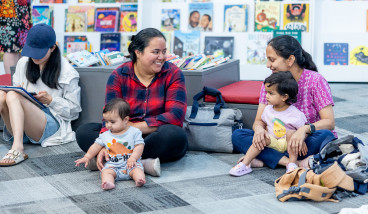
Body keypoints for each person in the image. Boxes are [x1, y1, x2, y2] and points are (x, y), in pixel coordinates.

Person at [76, 28, 188, 177]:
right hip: (121, 135)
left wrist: (132, 130)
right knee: (84, 132)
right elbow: (109, 115)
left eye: (164, 51)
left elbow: (175, 116)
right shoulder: (119, 75)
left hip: (153, 135)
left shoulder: (173, 74)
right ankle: (142, 163)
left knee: (174, 135)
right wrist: (107, 139)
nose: (161, 57)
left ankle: (114, 158)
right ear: (138, 52)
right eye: (155, 52)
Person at [232, 35, 336, 170]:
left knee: (326, 136)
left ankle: (267, 159)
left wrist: (304, 130)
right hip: (275, 141)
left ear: (290, 59)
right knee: (238, 135)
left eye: (272, 60)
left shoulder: (315, 81)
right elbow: (259, 121)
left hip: (303, 142)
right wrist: (258, 131)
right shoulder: (269, 83)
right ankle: (293, 163)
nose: (268, 65)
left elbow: (329, 122)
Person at [0, 24, 81, 166]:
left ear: (53, 48)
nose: (34, 57)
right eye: (31, 51)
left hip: (51, 123)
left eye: (39, 52)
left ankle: (17, 148)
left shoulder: (67, 72)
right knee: (2, 95)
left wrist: (51, 101)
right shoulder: (23, 63)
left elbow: (74, 112)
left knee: (13, 95)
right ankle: (18, 142)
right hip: (22, 124)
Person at [229, 71, 307, 176]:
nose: (266, 96)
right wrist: (261, 134)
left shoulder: (296, 114)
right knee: (257, 137)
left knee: (291, 133)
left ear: (284, 97)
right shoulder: (267, 110)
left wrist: (302, 140)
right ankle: (245, 164)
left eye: (271, 93)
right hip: (273, 143)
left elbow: (303, 131)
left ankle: (292, 164)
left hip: (289, 145)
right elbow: (264, 126)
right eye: (266, 92)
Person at [75, 98, 146, 190]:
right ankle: (108, 182)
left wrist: (133, 158)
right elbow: (96, 146)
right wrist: (87, 157)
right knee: (106, 172)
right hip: (113, 165)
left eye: (112, 122)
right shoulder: (105, 135)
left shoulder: (134, 132)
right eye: (106, 121)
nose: (108, 125)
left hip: (131, 164)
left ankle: (139, 180)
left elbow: (139, 146)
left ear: (125, 120)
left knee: (138, 171)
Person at [0, 0, 32, 74]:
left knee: (22, 48)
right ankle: (12, 82)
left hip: (22, 5)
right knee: (11, 48)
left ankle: (19, 81)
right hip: (9, 4)